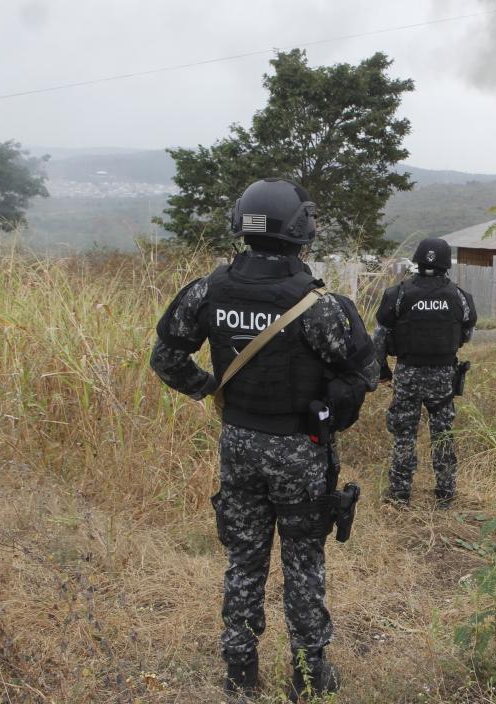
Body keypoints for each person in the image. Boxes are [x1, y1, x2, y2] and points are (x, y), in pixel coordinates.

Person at [149, 178, 378, 700]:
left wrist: (206, 387)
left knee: (244, 556)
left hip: (238, 443)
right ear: (300, 230)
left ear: (243, 225)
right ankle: (307, 676)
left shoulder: (210, 290)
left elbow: (166, 357)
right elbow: (363, 371)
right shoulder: (319, 304)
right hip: (299, 450)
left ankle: (239, 672)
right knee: (303, 562)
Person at [374, 237, 477, 509]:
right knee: (442, 434)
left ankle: (399, 495)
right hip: (443, 376)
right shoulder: (460, 297)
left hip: (407, 375)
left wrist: (383, 371)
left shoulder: (398, 294)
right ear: (446, 263)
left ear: (417, 260)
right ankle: (445, 493)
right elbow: (465, 334)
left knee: (404, 434)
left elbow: (380, 338)